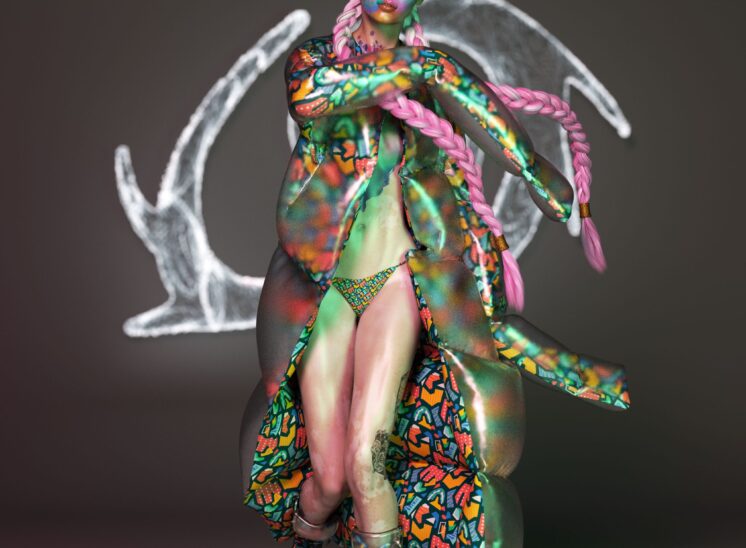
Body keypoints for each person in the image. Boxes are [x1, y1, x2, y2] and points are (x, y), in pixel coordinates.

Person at [242, 1, 630, 546]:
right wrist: (421, 67)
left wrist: (536, 173)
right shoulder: (318, 61)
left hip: (394, 285)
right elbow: (310, 96)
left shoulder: (431, 77)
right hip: (324, 290)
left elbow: (480, 113)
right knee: (328, 479)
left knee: (366, 464)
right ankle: (308, 535)